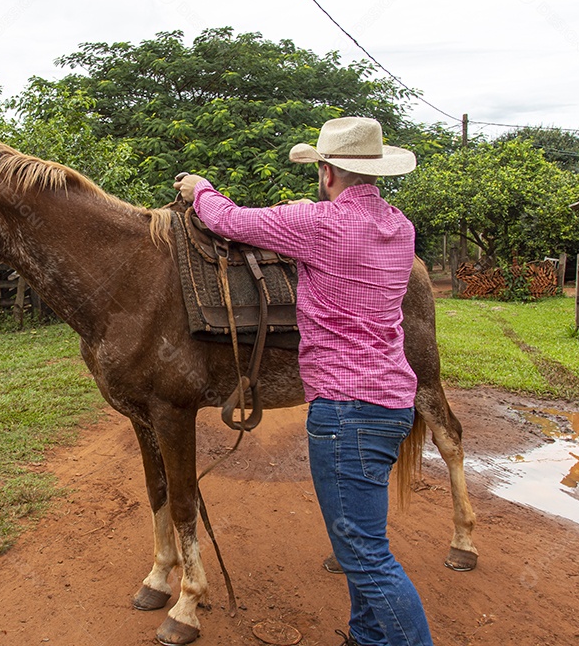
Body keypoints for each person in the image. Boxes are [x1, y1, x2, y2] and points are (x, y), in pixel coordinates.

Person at [173, 116, 434, 646]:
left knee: (363, 553)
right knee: (364, 539)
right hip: (391, 403)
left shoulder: (320, 225)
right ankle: (367, 637)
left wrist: (200, 188)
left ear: (326, 170)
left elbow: (230, 220)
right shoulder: (400, 227)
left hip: (345, 410)